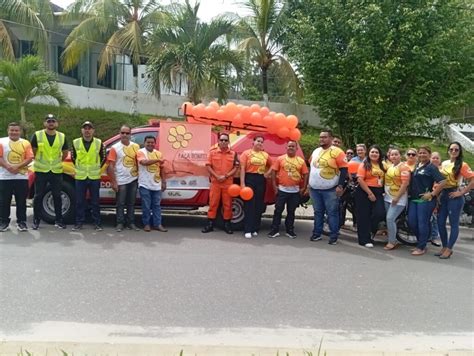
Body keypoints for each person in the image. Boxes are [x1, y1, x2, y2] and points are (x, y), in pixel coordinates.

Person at [307, 129, 348, 244]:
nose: (321, 139)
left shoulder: (338, 152)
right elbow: (312, 167)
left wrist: (340, 185)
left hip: (330, 189)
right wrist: (309, 183)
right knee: (317, 212)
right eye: (320, 137)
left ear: (330, 138)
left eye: (324, 137)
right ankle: (317, 234)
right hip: (314, 189)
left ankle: (333, 236)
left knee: (332, 213)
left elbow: (344, 169)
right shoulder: (315, 151)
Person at [436, 142, 473, 259]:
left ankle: (449, 248)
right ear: (448, 150)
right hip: (443, 195)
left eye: (456, 150)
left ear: (459, 152)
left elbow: (472, 179)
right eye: (451, 149)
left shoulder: (463, 165)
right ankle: (444, 246)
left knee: (453, 224)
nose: (453, 151)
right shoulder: (444, 163)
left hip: (454, 195)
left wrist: (462, 192)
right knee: (440, 222)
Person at [31, 114, 68, 229]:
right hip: (41, 170)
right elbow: (33, 150)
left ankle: (59, 220)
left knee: (57, 195)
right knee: (38, 196)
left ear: (56, 123)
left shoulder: (62, 136)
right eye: (48, 121)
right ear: (45, 123)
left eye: (53, 121)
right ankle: (36, 220)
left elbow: (65, 152)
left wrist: (56, 162)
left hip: (56, 171)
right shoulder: (37, 135)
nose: (51, 123)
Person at [407, 146, 445, 256]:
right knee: (412, 222)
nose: (422, 155)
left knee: (422, 223)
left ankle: (421, 247)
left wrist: (432, 194)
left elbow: (443, 182)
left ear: (429, 154)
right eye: (420, 153)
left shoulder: (431, 167)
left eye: (425, 153)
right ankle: (421, 242)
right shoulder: (417, 166)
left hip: (425, 200)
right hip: (414, 199)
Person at [268, 140, 308, 239]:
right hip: (282, 190)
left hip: (294, 192)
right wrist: (274, 186)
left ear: (296, 149)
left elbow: (306, 174)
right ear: (286, 148)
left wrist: (304, 187)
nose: (290, 148)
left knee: (291, 212)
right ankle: (274, 230)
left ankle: (290, 230)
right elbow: (273, 171)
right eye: (289, 146)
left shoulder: (300, 161)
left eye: (293, 146)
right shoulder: (280, 159)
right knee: (278, 211)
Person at [71, 121, 106, 231]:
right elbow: (73, 157)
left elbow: (103, 157)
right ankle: (79, 222)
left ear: (93, 130)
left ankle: (97, 223)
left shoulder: (99, 143)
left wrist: (96, 167)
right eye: (85, 128)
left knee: (95, 201)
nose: (87, 131)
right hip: (80, 176)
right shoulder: (75, 142)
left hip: (94, 176)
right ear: (82, 130)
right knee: (79, 201)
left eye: (89, 128)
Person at [202, 132, 239, 234]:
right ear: (218, 141)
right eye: (221, 140)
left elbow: (236, 168)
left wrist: (226, 176)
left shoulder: (234, 154)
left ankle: (227, 224)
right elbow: (208, 166)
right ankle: (210, 224)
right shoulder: (212, 152)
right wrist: (217, 176)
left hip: (228, 183)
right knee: (213, 204)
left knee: (228, 205)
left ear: (228, 142)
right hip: (215, 183)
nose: (223, 142)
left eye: (225, 140)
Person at [0, 122, 34, 232]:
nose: (14, 132)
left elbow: (29, 158)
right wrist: (8, 167)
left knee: (21, 201)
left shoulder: (25, 143)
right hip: (5, 177)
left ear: (20, 131)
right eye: (12, 130)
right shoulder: (1, 141)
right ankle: (4, 222)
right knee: (4, 201)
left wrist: (17, 167)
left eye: (16, 130)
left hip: (21, 177)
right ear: (8, 130)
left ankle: (22, 222)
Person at [107, 125, 140, 232]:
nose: (125, 135)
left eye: (127, 133)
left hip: (133, 179)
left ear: (130, 134)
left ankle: (131, 223)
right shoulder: (115, 148)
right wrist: (113, 181)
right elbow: (110, 166)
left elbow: (139, 162)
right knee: (120, 203)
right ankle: (120, 223)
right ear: (119, 134)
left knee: (131, 203)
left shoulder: (136, 147)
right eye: (122, 133)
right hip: (120, 180)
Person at [240, 135, 272, 239]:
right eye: (258, 141)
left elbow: (273, 165)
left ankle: (255, 228)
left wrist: (267, 174)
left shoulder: (265, 155)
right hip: (249, 179)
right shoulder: (246, 153)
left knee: (259, 205)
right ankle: (247, 229)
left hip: (260, 180)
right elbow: (242, 169)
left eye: (262, 142)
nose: (260, 143)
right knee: (250, 205)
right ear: (253, 142)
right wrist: (242, 184)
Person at [355, 145, 386, 248]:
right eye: (372, 152)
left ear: (379, 154)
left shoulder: (383, 165)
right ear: (368, 153)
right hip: (364, 191)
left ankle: (371, 231)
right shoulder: (364, 164)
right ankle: (364, 239)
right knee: (363, 216)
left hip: (378, 192)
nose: (374, 154)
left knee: (380, 213)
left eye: (376, 152)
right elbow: (360, 179)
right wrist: (369, 193)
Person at [137, 135, 168, 232]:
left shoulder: (158, 153)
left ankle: (157, 224)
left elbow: (162, 168)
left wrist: (163, 182)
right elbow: (144, 162)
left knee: (157, 205)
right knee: (146, 205)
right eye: (148, 142)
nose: (150, 144)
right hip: (144, 184)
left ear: (155, 143)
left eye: (152, 142)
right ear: (144, 143)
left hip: (156, 184)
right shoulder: (140, 152)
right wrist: (157, 160)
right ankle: (146, 224)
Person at [383, 148, 410, 250]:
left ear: (400, 155)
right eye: (392, 155)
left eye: (396, 154)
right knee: (389, 220)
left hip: (398, 199)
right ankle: (391, 237)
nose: (394, 156)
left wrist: (397, 197)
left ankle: (392, 242)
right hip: (387, 198)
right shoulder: (390, 167)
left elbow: (405, 184)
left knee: (390, 219)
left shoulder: (404, 167)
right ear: (389, 156)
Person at [429, 152, 442, 246]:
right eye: (433, 158)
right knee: (430, 217)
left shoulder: (442, 170)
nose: (435, 159)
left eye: (437, 158)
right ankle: (429, 236)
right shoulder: (427, 168)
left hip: (439, 196)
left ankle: (434, 237)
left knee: (435, 218)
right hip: (429, 194)